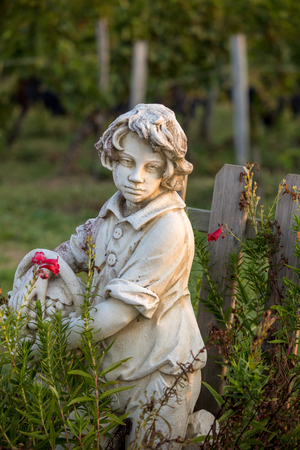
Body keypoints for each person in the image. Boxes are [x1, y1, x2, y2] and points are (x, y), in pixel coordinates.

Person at [9, 104, 206, 449]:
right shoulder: (114, 210)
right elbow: (71, 252)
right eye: (127, 163)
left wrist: (43, 343)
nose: (136, 177)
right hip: (105, 368)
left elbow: (116, 314)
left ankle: (200, 432)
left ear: (169, 171)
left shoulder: (169, 228)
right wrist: (42, 267)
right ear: (112, 159)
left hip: (160, 373)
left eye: (152, 168)